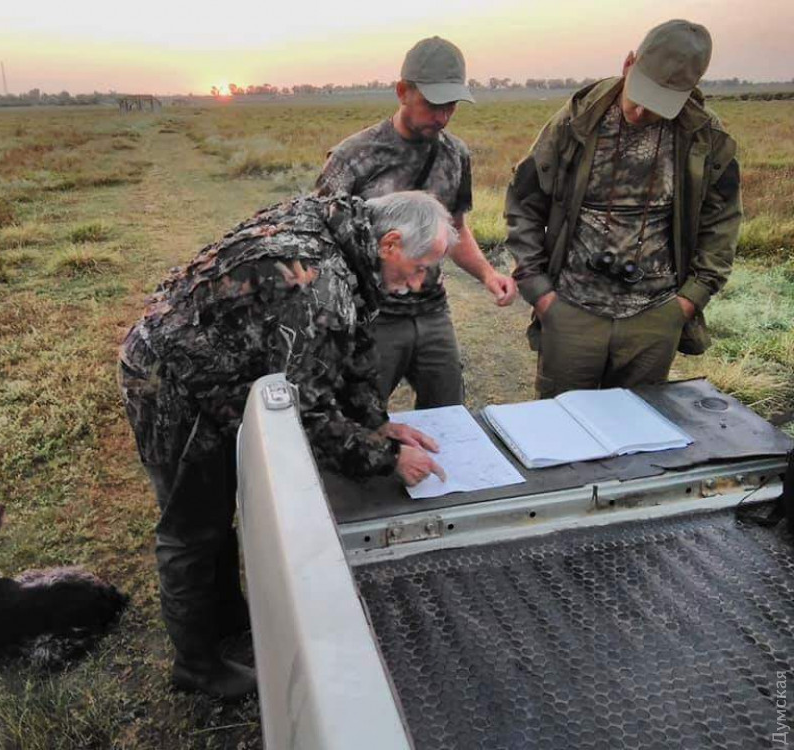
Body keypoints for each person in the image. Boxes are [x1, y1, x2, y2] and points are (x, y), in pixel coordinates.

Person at [117, 191, 452, 699]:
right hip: (171, 382)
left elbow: (352, 344)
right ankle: (196, 666)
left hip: (219, 375)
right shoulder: (320, 282)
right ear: (390, 243)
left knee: (217, 504)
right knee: (191, 527)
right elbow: (306, 412)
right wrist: (387, 458)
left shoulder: (343, 234)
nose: (422, 282)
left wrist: (377, 422)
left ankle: (227, 619)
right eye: (423, 267)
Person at [505, 19, 741, 398]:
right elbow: (524, 200)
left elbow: (723, 222)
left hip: (656, 315)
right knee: (561, 430)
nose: (641, 112)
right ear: (629, 62)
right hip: (571, 309)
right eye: (641, 94)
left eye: (658, 105)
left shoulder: (706, 138)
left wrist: (688, 301)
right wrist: (539, 291)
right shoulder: (576, 120)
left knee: (637, 438)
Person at [316, 36, 517, 409]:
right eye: (432, 105)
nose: (441, 117)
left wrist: (489, 275)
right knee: (359, 417)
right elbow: (321, 247)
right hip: (372, 318)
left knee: (449, 413)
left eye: (451, 107)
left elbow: (456, 228)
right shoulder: (354, 158)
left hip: (432, 311)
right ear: (402, 92)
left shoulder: (455, 154)